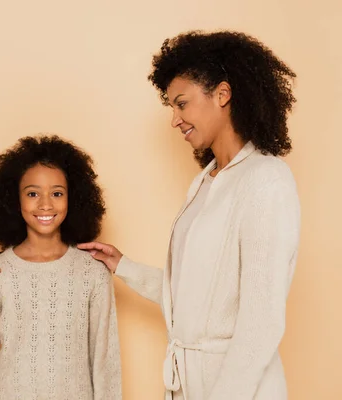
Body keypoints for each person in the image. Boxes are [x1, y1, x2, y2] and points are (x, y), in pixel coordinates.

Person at [79, 31, 301, 400]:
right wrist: (124, 266)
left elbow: (261, 322)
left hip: (237, 388)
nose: (175, 119)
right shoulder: (206, 181)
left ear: (223, 95)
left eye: (181, 104)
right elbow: (200, 294)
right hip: (187, 382)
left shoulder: (266, 180)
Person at [0, 135, 122, 399]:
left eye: (57, 193)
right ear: (15, 200)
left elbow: (106, 362)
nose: (45, 204)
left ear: (74, 198)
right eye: (33, 193)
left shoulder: (93, 272)